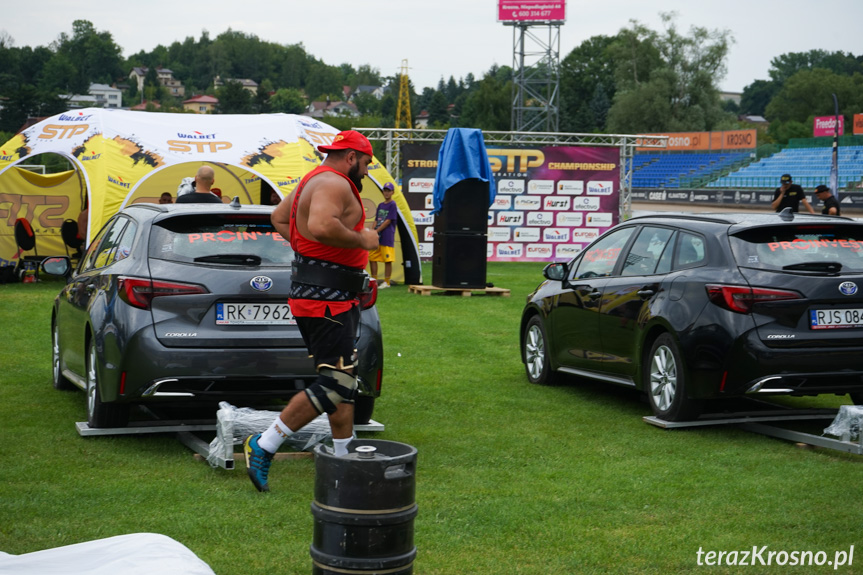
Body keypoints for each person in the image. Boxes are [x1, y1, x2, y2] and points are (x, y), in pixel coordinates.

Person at [243, 130, 379, 492]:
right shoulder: (334, 183)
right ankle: (266, 442)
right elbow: (320, 225)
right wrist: (361, 239)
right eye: (365, 163)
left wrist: (313, 256)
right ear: (351, 157)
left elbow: (279, 218)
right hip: (327, 300)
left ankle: (343, 460)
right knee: (338, 382)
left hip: (323, 296)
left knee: (344, 383)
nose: (366, 173)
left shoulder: (311, 180)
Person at [369, 182, 398, 288]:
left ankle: (387, 282)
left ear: (392, 192)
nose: (386, 193)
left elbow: (388, 221)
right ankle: (374, 280)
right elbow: (376, 220)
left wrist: (376, 231)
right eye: (385, 190)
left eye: (388, 191)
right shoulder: (381, 205)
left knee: (387, 259)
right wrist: (372, 231)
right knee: (372, 257)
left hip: (386, 235)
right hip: (377, 236)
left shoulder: (392, 204)